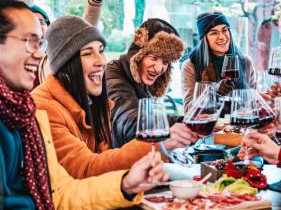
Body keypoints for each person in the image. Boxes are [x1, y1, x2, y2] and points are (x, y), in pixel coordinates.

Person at [0, 0, 168, 210]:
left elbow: (59, 197)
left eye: (39, 43)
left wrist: (126, 183)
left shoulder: (28, 116)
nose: (39, 53)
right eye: (28, 41)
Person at [32, 16, 193, 178]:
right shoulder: (44, 108)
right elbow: (86, 169)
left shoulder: (92, 101)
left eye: (101, 50)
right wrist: (163, 142)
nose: (101, 61)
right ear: (65, 64)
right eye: (87, 53)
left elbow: (104, 159)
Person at [106, 18, 199, 148]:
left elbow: (151, 120)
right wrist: (169, 133)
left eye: (165, 62)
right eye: (153, 58)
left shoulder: (140, 79)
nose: (159, 68)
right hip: (115, 164)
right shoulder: (113, 75)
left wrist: (190, 122)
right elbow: (130, 122)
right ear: (137, 55)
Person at [181, 11, 256, 113]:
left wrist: (264, 98)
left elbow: (253, 102)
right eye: (214, 33)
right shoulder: (191, 65)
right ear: (204, 39)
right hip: (209, 127)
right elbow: (188, 109)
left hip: (240, 126)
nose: (222, 37)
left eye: (225, 30)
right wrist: (214, 91)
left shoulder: (245, 62)